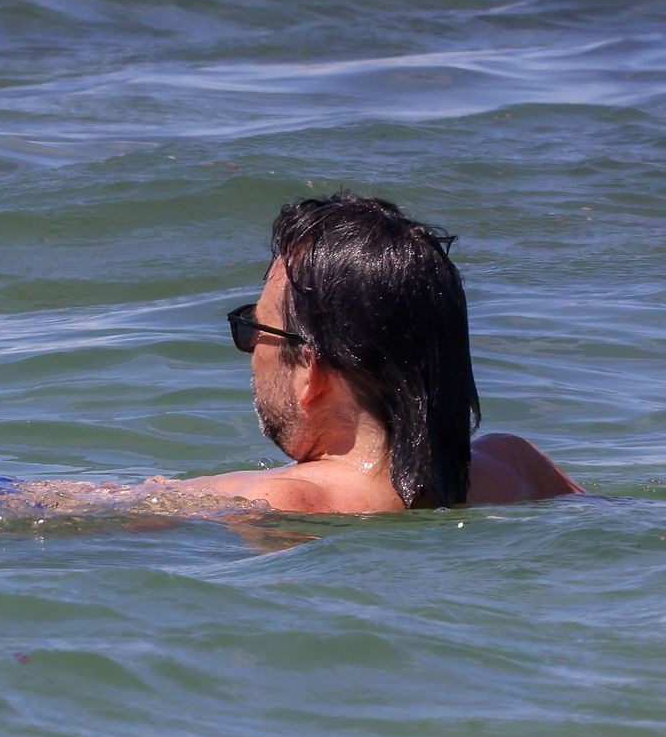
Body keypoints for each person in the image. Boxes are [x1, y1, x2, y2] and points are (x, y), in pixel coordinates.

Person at [152, 191, 580, 513]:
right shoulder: (519, 467)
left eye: (254, 328)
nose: (251, 349)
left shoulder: (273, 498)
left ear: (310, 371)